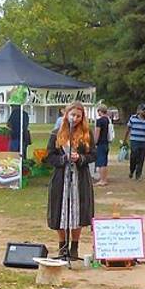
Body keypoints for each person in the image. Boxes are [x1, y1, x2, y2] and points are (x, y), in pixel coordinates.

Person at [45, 104, 96, 262]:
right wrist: (63, 159)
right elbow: (49, 156)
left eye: (78, 116)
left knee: (77, 212)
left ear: (82, 118)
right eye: (72, 115)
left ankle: (74, 246)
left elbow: (93, 155)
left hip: (79, 178)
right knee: (60, 210)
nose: (75, 118)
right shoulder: (56, 133)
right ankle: (62, 246)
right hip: (61, 178)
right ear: (66, 114)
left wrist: (80, 158)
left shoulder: (87, 134)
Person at [126, 104, 145, 180]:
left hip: (143, 141)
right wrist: (125, 139)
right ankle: (132, 170)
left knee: (141, 158)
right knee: (133, 157)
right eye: (142, 110)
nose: (144, 112)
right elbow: (128, 129)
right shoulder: (133, 118)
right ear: (138, 110)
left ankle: (138, 174)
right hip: (134, 140)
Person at [93, 104, 112, 186]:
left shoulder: (99, 121)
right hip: (106, 143)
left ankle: (102, 180)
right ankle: (104, 178)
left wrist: (94, 142)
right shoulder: (107, 120)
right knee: (104, 162)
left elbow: (97, 133)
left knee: (101, 162)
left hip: (100, 143)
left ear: (99, 111)